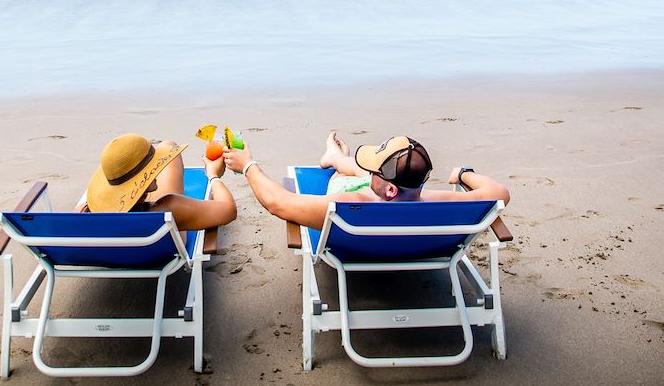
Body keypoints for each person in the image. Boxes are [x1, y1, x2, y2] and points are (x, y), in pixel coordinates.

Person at [223, 131, 509, 230]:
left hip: (361, 235)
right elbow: (499, 193)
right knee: (359, 174)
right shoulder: (443, 202)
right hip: (420, 238)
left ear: (390, 188)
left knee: (350, 177)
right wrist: (463, 174)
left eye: (376, 171)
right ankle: (336, 157)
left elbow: (279, 203)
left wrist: (247, 165)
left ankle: (335, 160)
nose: (371, 173)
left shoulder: (349, 205)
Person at [84, 133, 236, 231]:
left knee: (167, 144)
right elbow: (228, 210)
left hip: (115, 254)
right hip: (157, 249)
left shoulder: (83, 214)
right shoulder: (169, 210)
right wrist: (213, 175)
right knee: (168, 145)